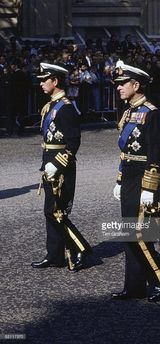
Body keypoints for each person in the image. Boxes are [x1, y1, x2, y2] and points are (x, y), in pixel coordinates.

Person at [111, 61, 160, 302]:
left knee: (141, 235)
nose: (118, 88)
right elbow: (126, 152)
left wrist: (150, 186)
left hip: (145, 181)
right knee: (129, 234)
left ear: (136, 85)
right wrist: (119, 179)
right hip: (129, 179)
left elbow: (156, 153)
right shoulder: (127, 112)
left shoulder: (151, 113)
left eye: (123, 83)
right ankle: (134, 286)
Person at [31, 63, 92, 272]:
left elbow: (73, 142)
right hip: (49, 163)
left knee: (55, 212)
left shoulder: (65, 107)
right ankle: (54, 254)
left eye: (44, 80)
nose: (40, 84)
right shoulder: (50, 106)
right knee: (50, 211)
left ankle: (80, 248)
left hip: (60, 167)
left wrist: (57, 164)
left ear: (55, 81)